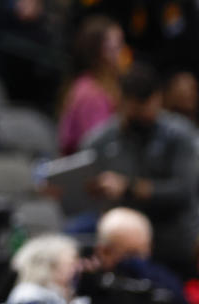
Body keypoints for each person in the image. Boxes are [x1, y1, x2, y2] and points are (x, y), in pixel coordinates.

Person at [84, 64, 199, 277]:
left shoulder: (180, 135)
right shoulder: (100, 140)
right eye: (136, 107)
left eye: (148, 106)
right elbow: (84, 183)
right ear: (124, 101)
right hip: (122, 244)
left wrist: (129, 188)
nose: (144, 114)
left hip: (172, 240)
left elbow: (183, 190)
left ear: (159, 99)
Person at [58, 16, 126, 155]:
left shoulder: (108, 86)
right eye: (118, 46)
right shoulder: (91, 94)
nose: (123, 52)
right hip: (84, 173)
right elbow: (100, 150)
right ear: (101, 52)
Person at [5, 234, 80, 304]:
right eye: (71, 264)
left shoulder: (52, 294)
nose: (76, 268)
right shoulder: (31, 297)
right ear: (50, 266)